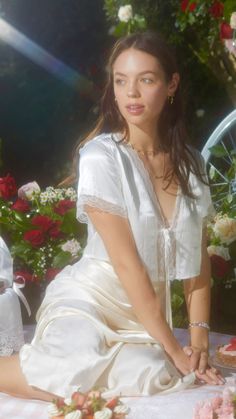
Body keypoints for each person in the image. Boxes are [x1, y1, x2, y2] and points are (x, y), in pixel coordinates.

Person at [0, 31, 224, 402]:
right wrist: (174, 348)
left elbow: (198, 263)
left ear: (171, 85)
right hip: (89, 301)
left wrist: (197, 341)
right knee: (74, 368)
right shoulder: (101, 158)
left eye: (146, 80)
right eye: (121, 81)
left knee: (152, 374)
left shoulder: (192, 166)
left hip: (143, 317)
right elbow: (126, 264)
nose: (131, 93)